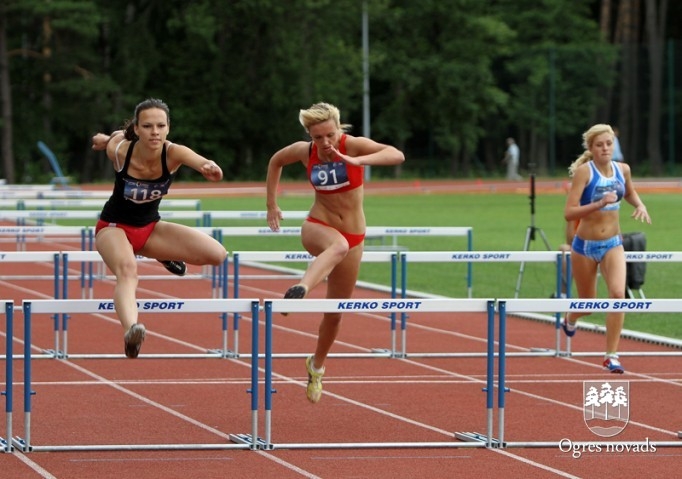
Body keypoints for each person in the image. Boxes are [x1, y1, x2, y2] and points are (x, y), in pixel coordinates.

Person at [265, 102, 405, 403]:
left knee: (335, 313)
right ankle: (301, 288)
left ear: (338, 128)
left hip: (354, 235)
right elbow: (275, 161)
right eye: (318, 137)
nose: (325, 143)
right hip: (318, 225)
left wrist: (357, 160)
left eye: (329, 135)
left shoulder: (351, 145)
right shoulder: (305, 152)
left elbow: (396, 154)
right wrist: (271, 204)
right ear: (310, 136)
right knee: (336, 245)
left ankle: (316, 366)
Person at [91, 98, 227, 358]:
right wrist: (106, 138)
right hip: (114, 227)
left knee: (217, 255)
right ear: (138, 129)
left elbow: (200, 161)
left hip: (150, 227)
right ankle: (132, 330)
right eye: (148, 126)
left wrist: (209, 167)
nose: (155, 132)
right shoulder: (121, 151)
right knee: (128, 271)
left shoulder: (174, 152)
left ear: (168, 128)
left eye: (160, 126)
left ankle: (161, 253)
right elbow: (113, 140)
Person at [561, 123, 650, 373]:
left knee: (618, 296)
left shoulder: (623, 169)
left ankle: (611, 355)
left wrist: (639, 205)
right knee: (588, 304)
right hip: (585, 246)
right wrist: (599, 202)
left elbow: (630, 192)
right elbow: (569, 213)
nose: (605, 148)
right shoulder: (584, 173)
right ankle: (570, 317)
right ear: (591, 148)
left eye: (609, 144)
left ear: (614, 145)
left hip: (613, 244)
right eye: (599, 145)